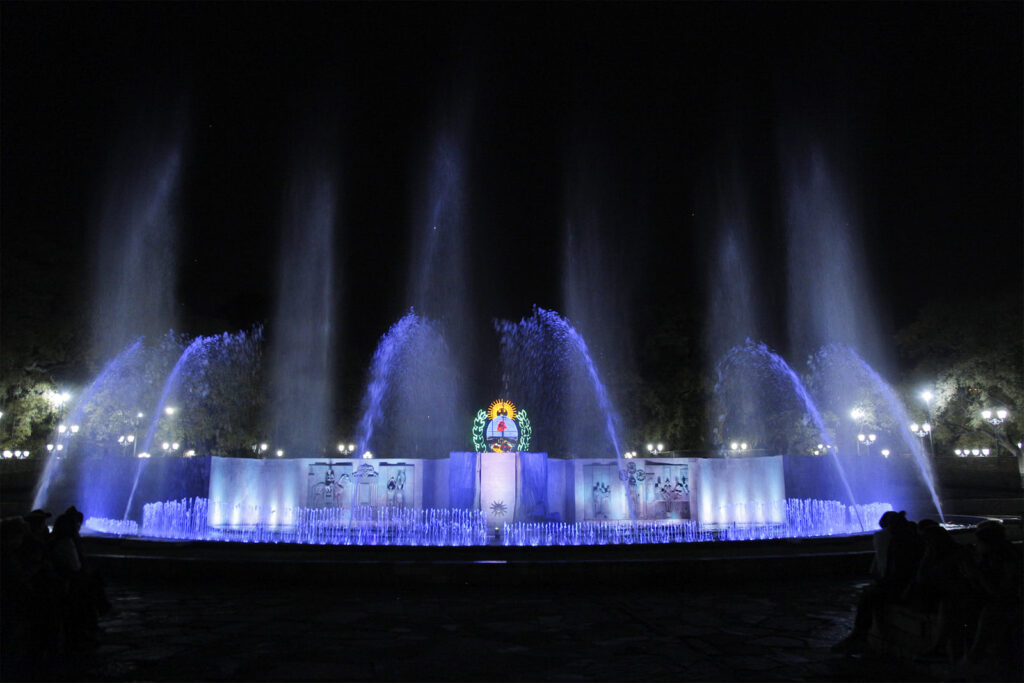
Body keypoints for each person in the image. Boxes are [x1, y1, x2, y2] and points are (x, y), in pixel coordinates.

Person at [831, 510, 922, 653]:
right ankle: (859, 634)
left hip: (907, 588)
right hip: (908, 585)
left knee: (868, 595)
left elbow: (893, 571)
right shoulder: (909, 537)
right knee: (870, 594)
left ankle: (859, 634)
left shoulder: (900, 542)